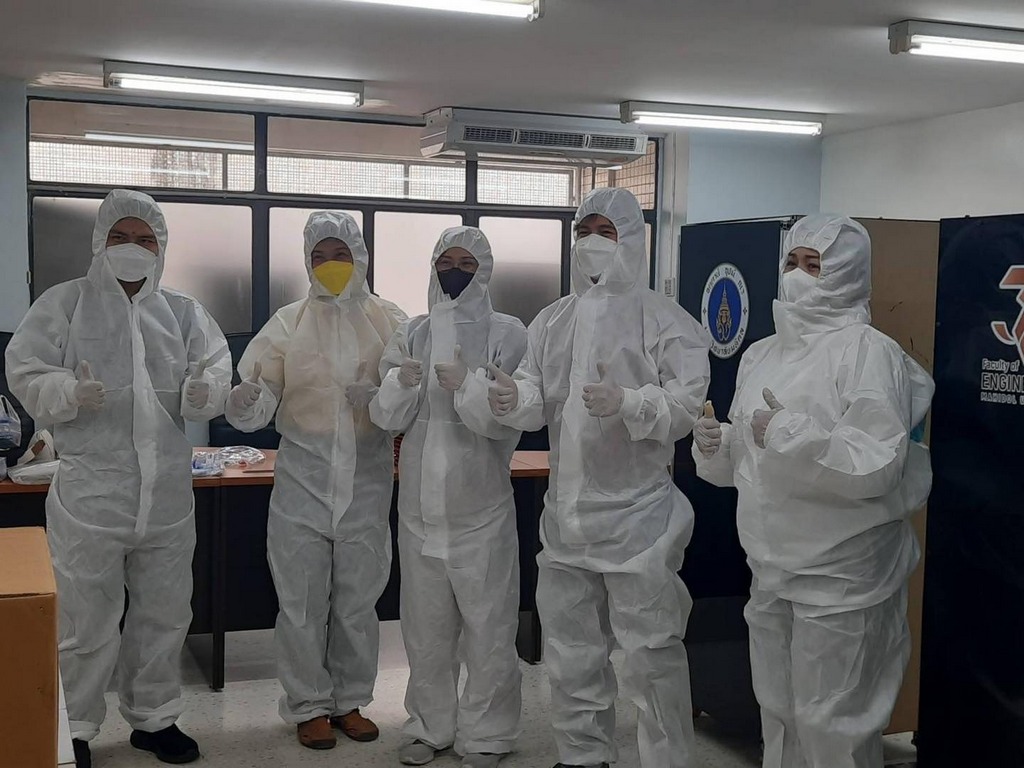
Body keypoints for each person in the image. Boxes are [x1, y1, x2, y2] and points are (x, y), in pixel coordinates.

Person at [474, 188, 712, 768]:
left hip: (638, 520)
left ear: (631, 239)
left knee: (651, 656)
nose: (592, 242)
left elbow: (685, 407)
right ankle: (583, 755)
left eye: (606, 231)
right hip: (568, 520)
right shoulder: (554, 318)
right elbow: (537, 393)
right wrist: (513, 399)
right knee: (572, 650)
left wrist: (630, 402)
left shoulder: (665, 320)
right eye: (584, 230)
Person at [692, 215, 934, 768]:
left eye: (815, 264)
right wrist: (719, 445)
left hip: (843, 575)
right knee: (778, 712)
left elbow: (877, 464)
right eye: (792, 262)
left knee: (834, 726)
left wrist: (788, 433)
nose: (799, 275)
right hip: (771, 565)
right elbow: (752, 465)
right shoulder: (761, 354)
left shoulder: (869, 352)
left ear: (848, 273)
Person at [5, 189, 232, 768]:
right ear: (99, 242)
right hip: (92, 496)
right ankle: (77, 726)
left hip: (168, 498)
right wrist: (66, 392)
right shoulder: (65, 303)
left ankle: (155, 720)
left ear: (161, 247)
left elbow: (215, 368)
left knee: (164, 615)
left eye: (145, 239)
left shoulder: (183, 312)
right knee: (84, 621)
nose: (133, 248)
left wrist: (205, 392)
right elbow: (25, 369)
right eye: (120, 237)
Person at [225, 210, 405, 751]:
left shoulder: (389, 320)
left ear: (360, 257)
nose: (330, 264)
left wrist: (382, 397)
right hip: (302, 480)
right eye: (319, 256)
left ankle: (349, 701)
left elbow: (409, 399)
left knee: (357, 601)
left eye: (340, 254)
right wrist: (247, 401)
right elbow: (258, 398)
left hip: (367, 482)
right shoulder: (288, 322)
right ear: (307, 262)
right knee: (301, 601)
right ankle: (308, 706)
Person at [369, 227, 528, 768]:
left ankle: (487, 735)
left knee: (489, 630)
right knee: (425, 631)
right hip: (419, 512)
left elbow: (508, 419)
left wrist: (469, 386)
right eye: (445, 261)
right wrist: (399, 385)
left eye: (466, 263)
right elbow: (384, 417)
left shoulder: (508, 333)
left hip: (481, 509)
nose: (453, 272)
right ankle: (429, 726)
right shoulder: (412, 332)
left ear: (485, 270)